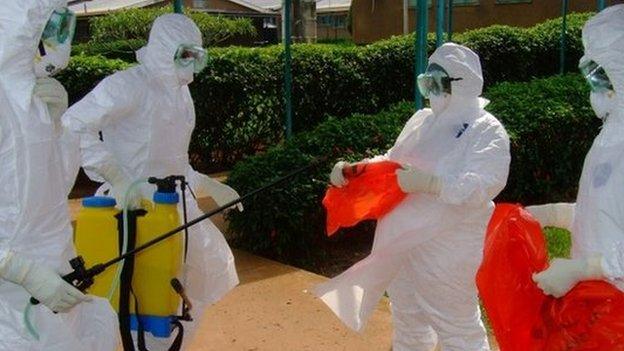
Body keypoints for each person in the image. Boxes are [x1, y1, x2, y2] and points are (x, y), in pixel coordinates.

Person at [62, 13, 240, 349]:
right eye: (183, 53)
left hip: (174, 207)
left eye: (195, 55)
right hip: (130, 209)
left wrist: (206, 184)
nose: (189, 63)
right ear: (162, 49)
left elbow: (175, 161)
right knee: (132, 297)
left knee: (187, 288)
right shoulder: (129, 84)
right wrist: (115, 177)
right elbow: (74, 123)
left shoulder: (180, 94)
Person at [319, 43, 510, 351]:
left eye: (437, 84)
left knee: (456, 326)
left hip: (449, 245)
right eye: (427, 83)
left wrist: (432, 184)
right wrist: (356, 170)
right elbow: (393, 160)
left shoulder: (485, 130)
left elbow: (485, 184)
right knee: (407, 317)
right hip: (401, 238)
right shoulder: (422, 120)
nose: (430, 91)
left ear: (461, 84)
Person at [0, 1, 118, 350]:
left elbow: (56, 188)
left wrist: (56, 128)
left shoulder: (34, 96)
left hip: (57, 274)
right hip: (12, 296)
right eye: (49, 22)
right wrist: (20, 270)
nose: (60, 34)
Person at [529, 5, 624, 298]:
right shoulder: (611, 134)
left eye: (600, 75)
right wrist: (555, 214)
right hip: (599, 305)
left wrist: (584, 269)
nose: (593, 86)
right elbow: (606, 215)